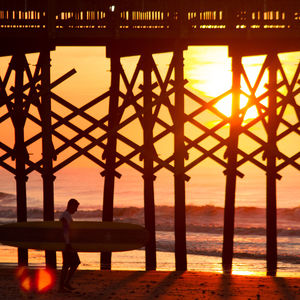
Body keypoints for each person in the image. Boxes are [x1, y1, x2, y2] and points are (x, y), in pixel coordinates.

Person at [58, 198, 81, 292]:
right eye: (75, 207)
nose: (76, 210)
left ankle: (64, 284)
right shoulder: (65, 216)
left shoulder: (67, 216)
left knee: (73, 263)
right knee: (68, 264)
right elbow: (65, 230)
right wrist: (67, 243)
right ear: (71, 206)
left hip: (68, 243)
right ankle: (61, 286)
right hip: (67, 244)